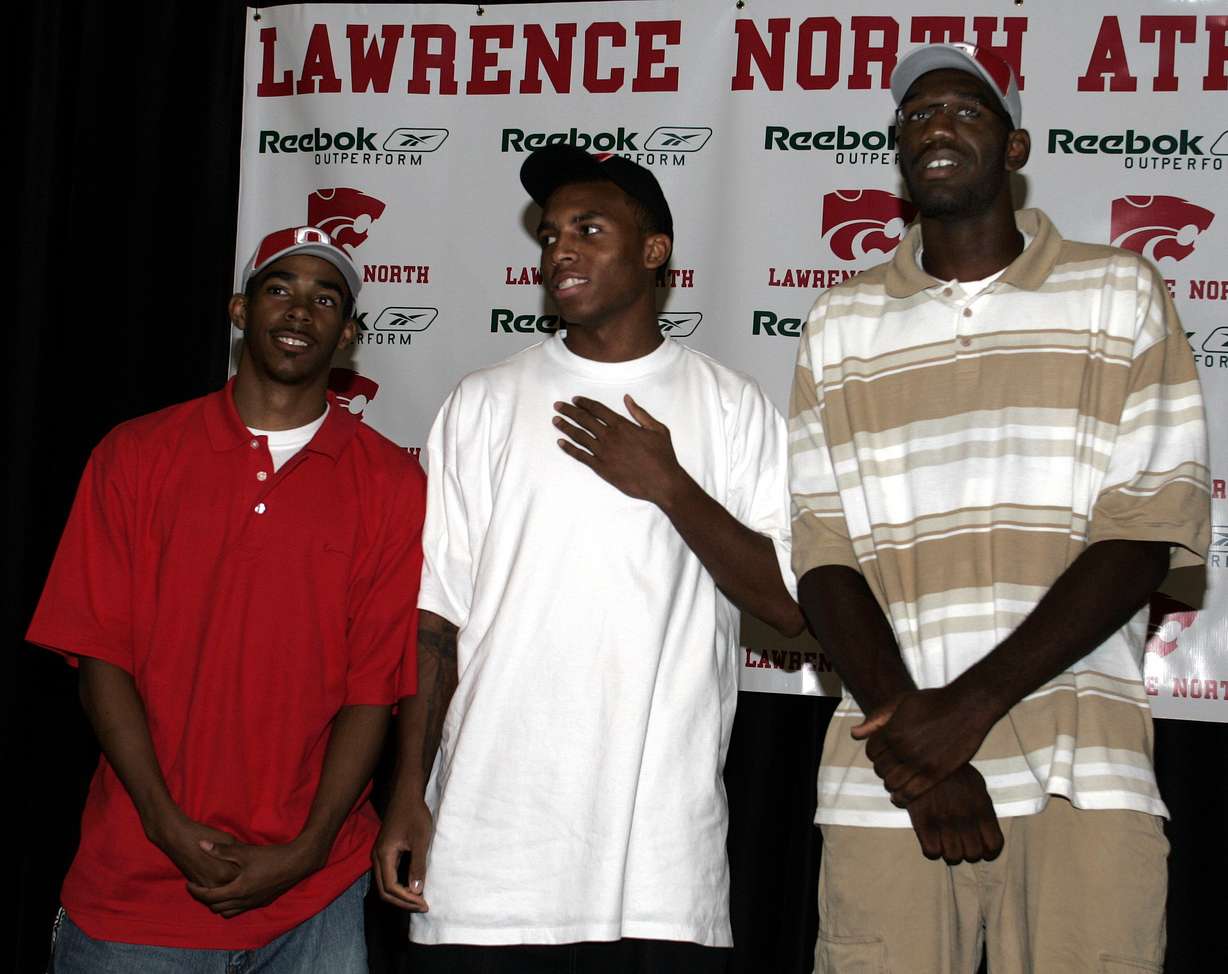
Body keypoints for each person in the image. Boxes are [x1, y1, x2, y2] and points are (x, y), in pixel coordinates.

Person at [789, 42, 1211, 974]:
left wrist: (962, 714)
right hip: (887, 781)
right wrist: (918, 745)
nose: (935, 125)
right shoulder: (838, 324)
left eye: (964, 110)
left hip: (1080, 769)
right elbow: (823, 559)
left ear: (1015, 148)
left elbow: (1142, 535)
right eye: (915, 115)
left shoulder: (1119, 292)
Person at [373, 145, 804, 972]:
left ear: (654, 251)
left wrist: (669, 486)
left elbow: (788, 604)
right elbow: (437, 617)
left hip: (660, 864)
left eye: (588, 230)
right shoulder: (483, 402)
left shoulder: (730, 406)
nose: (559, 250)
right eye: (549, 234)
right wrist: (407, 795)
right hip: (488, 849)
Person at [28, 225, 426, 972]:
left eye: (325, 299)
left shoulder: (393, 484)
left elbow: (372, 691)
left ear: (348, 335)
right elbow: (100, 660)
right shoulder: (134, 454)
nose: (300, 310)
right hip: (137, 887)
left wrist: (308, 850)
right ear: (241, 311)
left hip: (315, 900)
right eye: (280, 289)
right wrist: (164, 825)